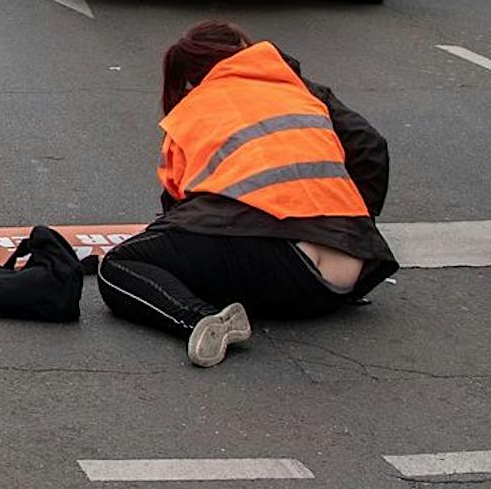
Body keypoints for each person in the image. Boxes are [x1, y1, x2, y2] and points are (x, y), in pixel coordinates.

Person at [96, 20, 396, 366]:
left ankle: (197, 320)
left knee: (119, 266)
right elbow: (370, 147)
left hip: (280, 267)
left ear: (193, 75)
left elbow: (181, 212)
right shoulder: (298, 88)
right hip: (345, 276)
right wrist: (354, 228)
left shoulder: (192, 110)